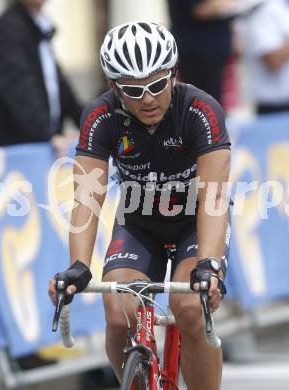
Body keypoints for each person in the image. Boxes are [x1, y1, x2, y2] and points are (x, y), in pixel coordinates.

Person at [48, 21, 231, 390]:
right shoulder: (100, 117)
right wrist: (79, 265)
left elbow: (213, 198)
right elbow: (87, 199)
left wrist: (209, 264)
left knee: (191, 309)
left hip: (193, 223)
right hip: (138, 224)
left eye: (157, 85)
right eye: (133, 90)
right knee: (118, 318)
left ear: (173, 74)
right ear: (114, 86)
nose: (148, 98)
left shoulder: (201, 110)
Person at [0, 0, 83, 156]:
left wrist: (89, 126)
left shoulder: (40, 25)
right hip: (16, 152)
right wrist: (48, 135)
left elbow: (60, 88)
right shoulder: (7, 28)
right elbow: (19, 89)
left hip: (43, 145)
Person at [167, 0, 237, 103]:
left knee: (212, 100)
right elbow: (200, 9)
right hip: (198, 52)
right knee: (204, 101)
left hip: (210, 49)